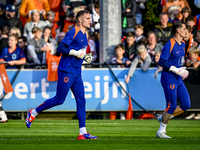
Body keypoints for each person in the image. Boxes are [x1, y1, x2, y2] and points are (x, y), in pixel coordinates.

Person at [25, 10, 98, 140]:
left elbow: (79, 54)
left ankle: (83, 133)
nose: (89, 20)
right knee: (59, 99)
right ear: (80, 20)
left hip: (76, 72)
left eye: (90, 18)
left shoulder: (85, 34)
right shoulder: (73, 31)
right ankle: (33, 112)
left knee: (81, 101)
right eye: (87, 18)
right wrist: (75, 53)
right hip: (67, 70)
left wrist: (85, 58)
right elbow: (60, 48)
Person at [156, 21, 190, 138]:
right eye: (184, 28)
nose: (186, 31)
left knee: (186, 104)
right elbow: (162, 61)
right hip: (169, 78)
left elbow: (178, 61)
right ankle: (161, 131)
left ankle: (163, 117)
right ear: (178, 31)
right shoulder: (170, 43)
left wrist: (183, 69)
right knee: (172, 105)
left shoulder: (183, 44)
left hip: (178, 79)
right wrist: (175, 69)